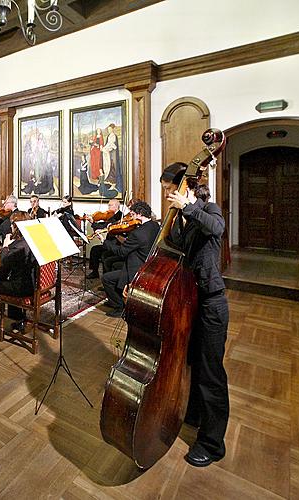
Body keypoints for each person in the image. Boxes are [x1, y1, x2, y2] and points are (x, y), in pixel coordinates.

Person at [161, 161, 230, 468]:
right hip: (188, 301)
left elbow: (217, 229)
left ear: (184, 188)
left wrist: (187, 206)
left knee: (211, 373)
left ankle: (213, 443)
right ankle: (195, 412)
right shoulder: (179, 221)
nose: (166, 195)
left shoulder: (209, 210)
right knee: (192, 363)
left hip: (212, 305)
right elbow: (167, 254)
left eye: (168, 189)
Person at [100, 201, 159, 317]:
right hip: (147, 263)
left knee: (106, 278)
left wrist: (105, 242)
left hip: (137, 269)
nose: (130, 217)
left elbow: (121, 252)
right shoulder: (154, 225)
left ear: (140, 214)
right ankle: (117, 297)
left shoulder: (138, 233)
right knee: (113, 265)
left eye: (132, 214)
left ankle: (119, 307)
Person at [0, 212, 36, 338]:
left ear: (15, 226)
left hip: (23, 287)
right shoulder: (30, 241)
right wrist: (6, 250)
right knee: (12, 279)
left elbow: (1, 272)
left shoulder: (17, 247)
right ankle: (17, 318)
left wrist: (6, 248)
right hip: (33, 283)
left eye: (12, 224)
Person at [86, 198, 123, 278]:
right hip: (108, 242)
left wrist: (93, 223)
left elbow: (104, 226)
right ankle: (95, 272)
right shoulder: (112, 215)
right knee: (94, 250)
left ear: (116, 206)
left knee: (103, 254)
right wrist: (94, 223)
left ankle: (106, 277)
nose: (108, 207)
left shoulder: (119, 216)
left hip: (114, 243)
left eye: (110, 205)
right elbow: (104, 224)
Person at [103, 123, 122, 193]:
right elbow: (107, 144)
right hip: (109, 153)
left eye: (110, 129)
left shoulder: (114, 136)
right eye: (108, 129)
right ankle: (110, 183)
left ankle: (114, 184)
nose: (109, 130)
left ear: (113, 129)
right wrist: (104, 148)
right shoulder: (109, 136)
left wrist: (106, 148)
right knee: (109, 168)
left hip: (112, 154)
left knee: (113, 168)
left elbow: (112, 145)